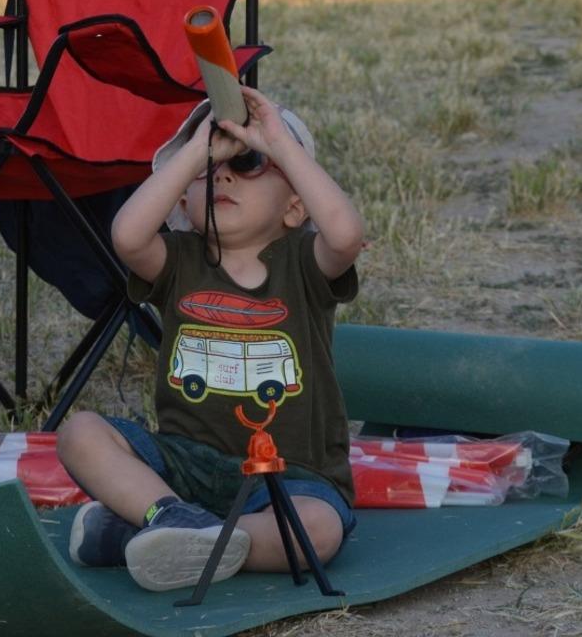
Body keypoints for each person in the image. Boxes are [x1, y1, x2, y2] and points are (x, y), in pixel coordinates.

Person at [56, 86, 365, 592]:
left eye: (248, 163)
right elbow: (127, 236)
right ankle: (167, 518)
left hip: (289, 476)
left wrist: (280, 144)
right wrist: (195, 152)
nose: (222, 172)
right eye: (205, 170)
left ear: (294, 207)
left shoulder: (304, 262)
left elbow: (347, 234)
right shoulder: (178, 260)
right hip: (183, 466)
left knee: (319, 531)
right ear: (181, 199)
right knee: (80, 432)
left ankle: (158, 538)